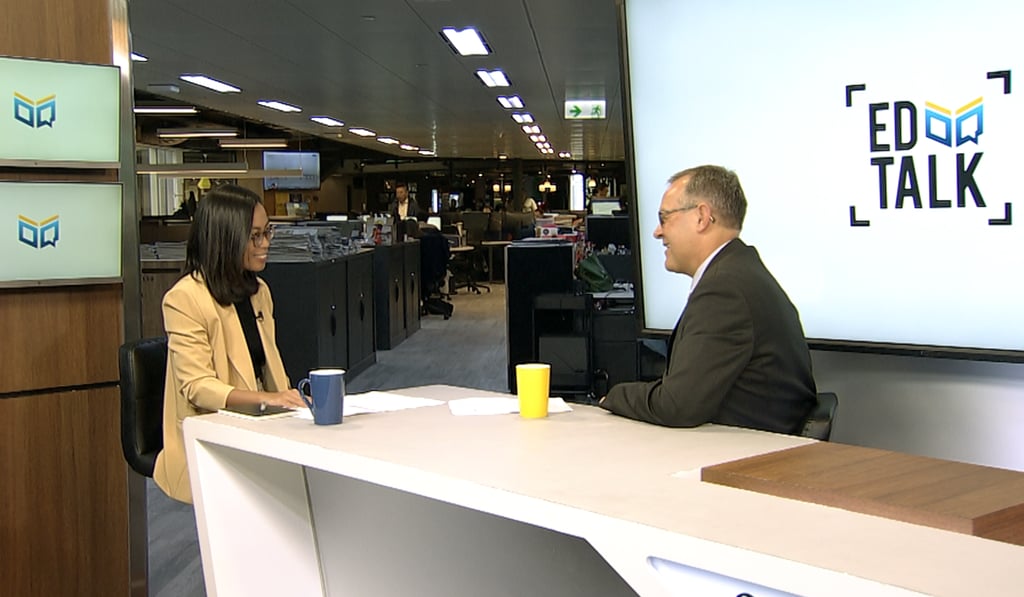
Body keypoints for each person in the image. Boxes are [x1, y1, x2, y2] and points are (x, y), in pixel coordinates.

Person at [599, 165, 816, 434]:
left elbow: (677, 405)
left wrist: (613, 396)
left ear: (702, 217)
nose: (657, 232)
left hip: (742, 457)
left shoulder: (724, 290)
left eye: (664, 218)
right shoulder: (739, 270)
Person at [154, 184, 306, 504]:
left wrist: (296, 409)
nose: (265, 244)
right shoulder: (184, 299)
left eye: (267, 232)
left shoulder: (258, 291)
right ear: (225, 239)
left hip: (258, 424)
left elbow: (268, 367)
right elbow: (198, 387)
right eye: (254, 236)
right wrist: (268, 399)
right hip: (210, 432)